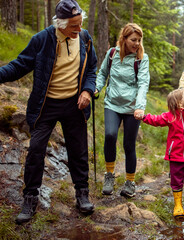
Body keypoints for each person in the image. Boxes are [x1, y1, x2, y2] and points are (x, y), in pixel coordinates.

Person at [0, 0, 97, 224]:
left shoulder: (84, 38)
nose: (78, 29)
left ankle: (82, 194)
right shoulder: (42, 39)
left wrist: (87, 91)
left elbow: (91, 68)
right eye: (74, 25)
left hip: (75, 104)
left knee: (79, 151)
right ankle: (30, 197)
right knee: (35, 150)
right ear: (60, 24)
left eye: (80, 23)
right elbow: (19, 65)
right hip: (46, 105)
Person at [95, 23, 150, 198]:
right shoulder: (112, 54)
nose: (137, 44)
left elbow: (143, 83)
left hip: (132, 107)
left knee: (128, 144)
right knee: (110, 135)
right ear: (124, 39)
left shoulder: (142, 58)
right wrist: (96, 88)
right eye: (133, 40)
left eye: (139, 40)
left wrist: (140, 107)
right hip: (112, 103)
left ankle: (130, 182)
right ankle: (109, 175)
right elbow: (103, 73)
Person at [140, 88, 184, 218]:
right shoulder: (170, 116)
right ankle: (178, 205)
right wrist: (144, 117)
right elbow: (156, 120)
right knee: (176, 180)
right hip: (175, 157)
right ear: (179, 104)